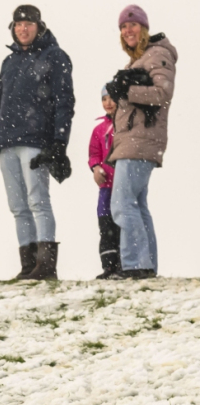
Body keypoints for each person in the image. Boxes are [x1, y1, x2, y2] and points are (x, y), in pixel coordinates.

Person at [0, 5, 75, 281]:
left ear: (39, 27)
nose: (23, 29)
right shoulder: (9, 62)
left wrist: (59, 143)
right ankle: (28, 266)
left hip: (36, 140)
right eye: (18, 24)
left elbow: (65, 101)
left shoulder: (55, 56)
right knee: (18, 206)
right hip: (7, 142)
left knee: (38, 201)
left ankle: (46, 267)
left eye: (28, 24)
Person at [105, 5, 176, 280]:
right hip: (134, 140)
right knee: (136, 204)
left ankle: (135, 264)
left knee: (122, 203)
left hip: (140, 140)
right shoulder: (138, 60)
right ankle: (146, 266)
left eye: (132, 25)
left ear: (144, 29)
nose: (128, 30)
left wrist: (127, 89)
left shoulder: (157, 54)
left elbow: (162, 94)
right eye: (123, 27)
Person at [89, 87, 119, 278]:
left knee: (121, 223)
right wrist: (95, 168)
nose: (108, 103)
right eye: (104, 99)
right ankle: (108, 266)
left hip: (122, 184)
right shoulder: (99, 129)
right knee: (105, 224)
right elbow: (94, 153)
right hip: (106, 187)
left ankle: (124, 264)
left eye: (112, 98)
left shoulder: (126, 125)